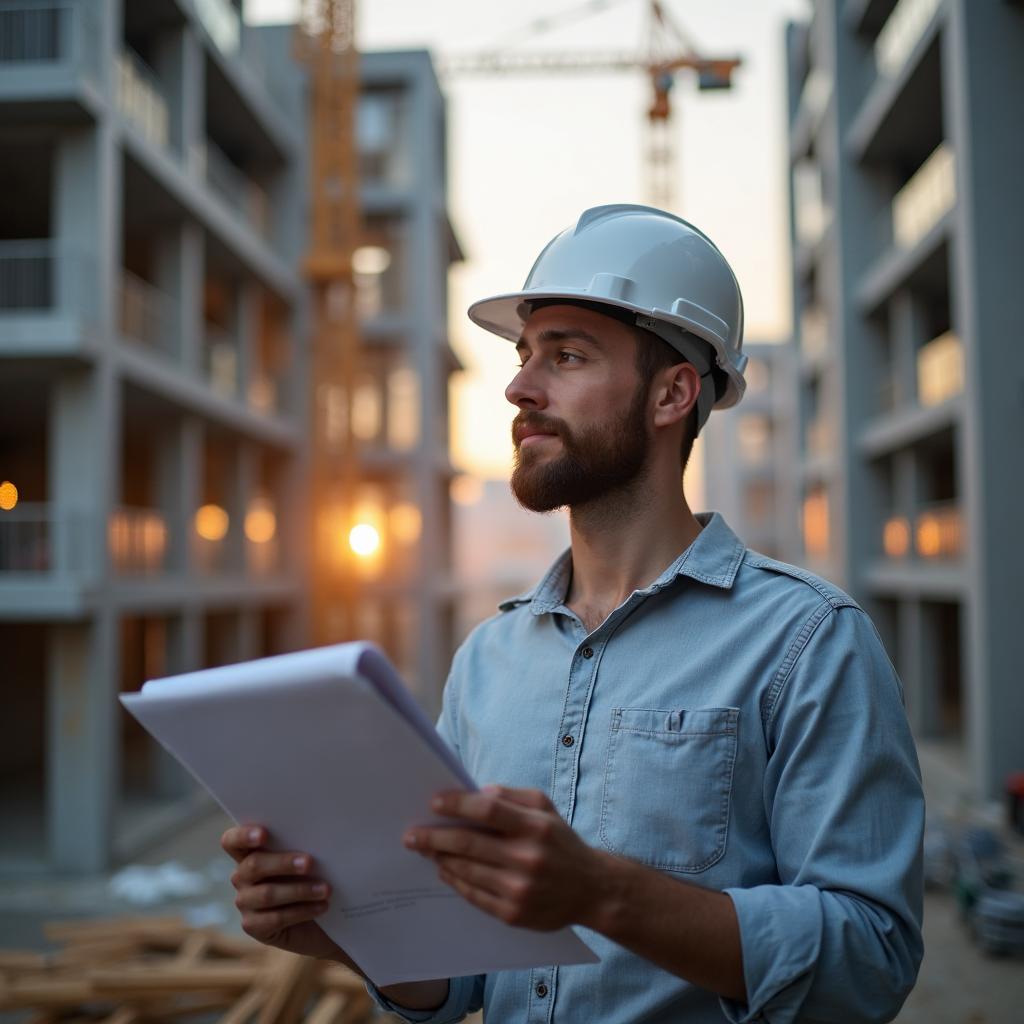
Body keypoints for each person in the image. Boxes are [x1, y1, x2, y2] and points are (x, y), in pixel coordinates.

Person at [221, 205, 924, 1022]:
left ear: (672, 393)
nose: (520, 385)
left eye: (568, 355)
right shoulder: (488, 660)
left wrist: (599, 891)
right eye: (524, 356)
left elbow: (871, 961)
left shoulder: (808, 642)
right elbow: (466, 980)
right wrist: (345, 930)